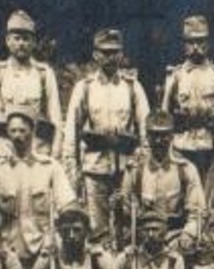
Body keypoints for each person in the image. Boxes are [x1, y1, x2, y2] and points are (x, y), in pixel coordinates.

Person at [62, 28, 149, 241]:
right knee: (96, 231)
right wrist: (73, 173)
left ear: (121, 54)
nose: (110, 57)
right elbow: (71, 136)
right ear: (95, 55)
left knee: (127, 229)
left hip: (126, 170)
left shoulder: (132, 87)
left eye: (115, 52)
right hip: (94, 169)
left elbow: (146, 131)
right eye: (105, 52)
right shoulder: (84, 88)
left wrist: (139, 167)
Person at [0, 109, 76, 269]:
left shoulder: (50, 167)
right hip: (9, 250)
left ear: (32, 132)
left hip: (43, 249)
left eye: (22, 130)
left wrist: (54, 240)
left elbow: (68, 208)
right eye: (13, 131)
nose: (17, 136)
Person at [0, 10, 63, 176]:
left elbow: (56, 119)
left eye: (26, 39)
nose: (21, 43)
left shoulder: (44, 73)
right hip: (3, 151)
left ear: (34, 42)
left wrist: (55, 157)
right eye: (17, 38)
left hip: (36, 150)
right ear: (8, 41)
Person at [162, 14, 214, 195]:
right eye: (191, 42)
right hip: (182, 145)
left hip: (209, 146)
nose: (196, 47)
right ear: (184, 45)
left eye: (201, 41)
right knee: (181, 197)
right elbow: (164, 114)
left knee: (208, 199)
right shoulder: (176, 75)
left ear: (208, 43)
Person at [119, 110, 206, 251]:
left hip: (175, 238)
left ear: (172, 136)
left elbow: (197, 212)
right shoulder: (135, 169)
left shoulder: (186, 168)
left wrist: (188, 235)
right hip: (144, 239)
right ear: (147, 137)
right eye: (154, 135)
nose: (159, 141)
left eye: (164, 135)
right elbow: (126, 211)